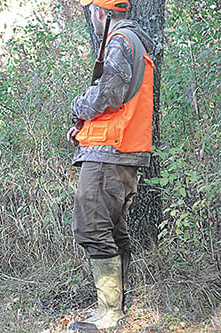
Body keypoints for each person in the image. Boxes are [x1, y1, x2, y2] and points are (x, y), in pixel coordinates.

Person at [66, 0, 155, 331]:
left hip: (110, 153)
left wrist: (79, 104)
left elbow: (110, 94)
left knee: (91, 226)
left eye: (90, 10)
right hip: (119, 151)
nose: (90, 16)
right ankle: (115, 309)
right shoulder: (134, 40)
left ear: (100, 12)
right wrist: (84, 125)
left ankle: (110, 314)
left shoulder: (119, 40)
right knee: (111, 229)